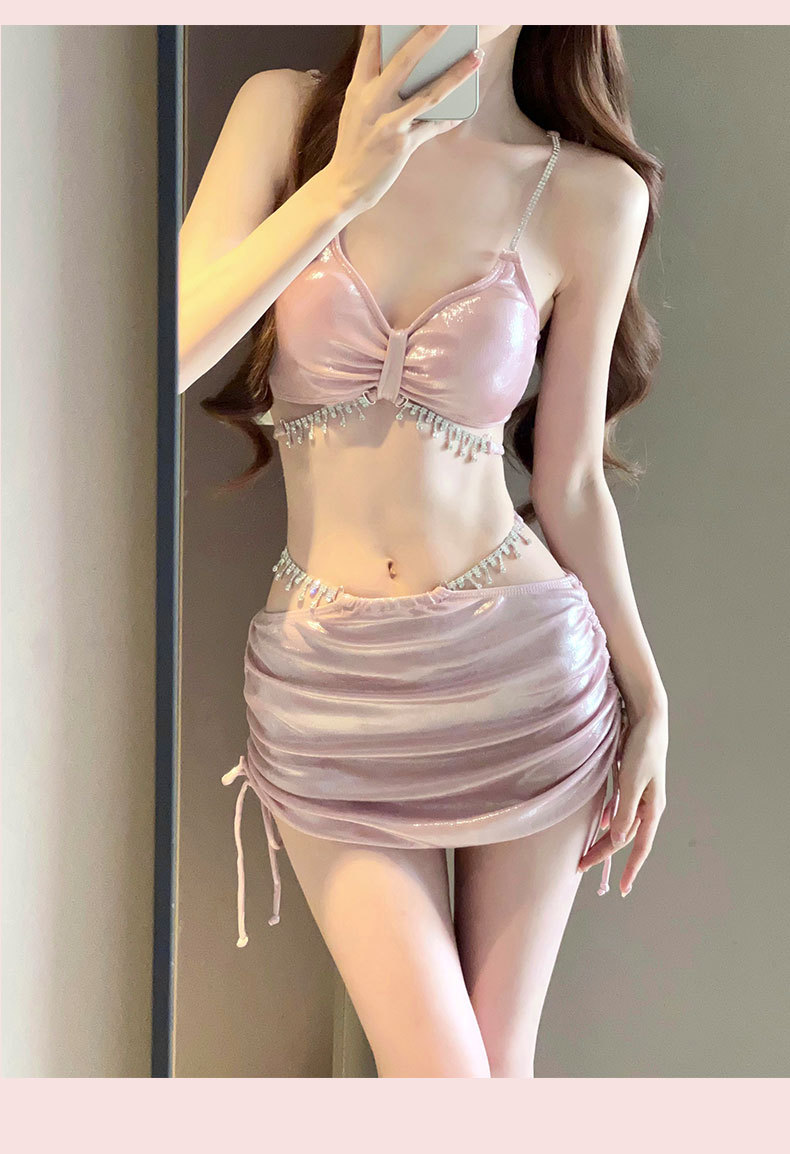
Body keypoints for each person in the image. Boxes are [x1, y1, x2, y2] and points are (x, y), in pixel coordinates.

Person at [179, 25, 669, 1078]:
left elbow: (569, 482)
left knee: (498, 1069)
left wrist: (648, 694)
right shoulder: (282, 116)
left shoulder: (591, 192)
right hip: (326, 688)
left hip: (524, 676)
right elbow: (161, 351)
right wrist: (341, 187)